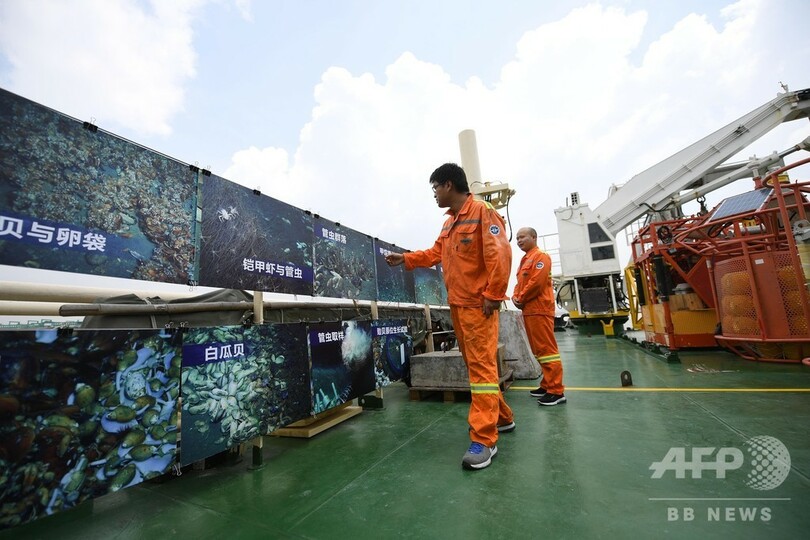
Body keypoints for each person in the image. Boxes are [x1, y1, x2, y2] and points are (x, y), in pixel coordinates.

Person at [385, 163, 514, 470]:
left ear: (448, 185)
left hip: (479, 306)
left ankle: (484, 439)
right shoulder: (449, 223)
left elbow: (500, 255)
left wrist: (493, 296)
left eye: (435, 188)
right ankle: (502, 417)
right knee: (476, 367)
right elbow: (435, 254)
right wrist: (406, 258)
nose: (434, 195)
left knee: (481, 370)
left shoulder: (482, 212)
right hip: (458, 305)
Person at [512, 227, 566, 406]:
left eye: (522, 237)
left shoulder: (541, 257)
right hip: (530, 310)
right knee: (539, 350)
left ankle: (556, 391)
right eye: (517, 238)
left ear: (534, 237)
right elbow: (520, 283)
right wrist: (514, 297)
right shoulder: (525, 260)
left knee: (547, 350)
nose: (519, 241)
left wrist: (520, 298)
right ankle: (547, 384)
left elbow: (537, 282)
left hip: (540, 309)